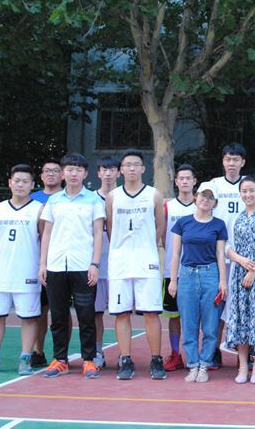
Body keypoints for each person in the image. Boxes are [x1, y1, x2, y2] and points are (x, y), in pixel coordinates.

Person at [39, 153, 105, 379]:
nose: (73, 173)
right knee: (58, 316)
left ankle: (89, 360)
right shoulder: (54, 201)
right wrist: (43, 264)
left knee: (86, 315)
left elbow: (98, 233)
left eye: (78, 170)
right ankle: (60, 359)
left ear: (85, 174)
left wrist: (95, 264)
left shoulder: (94, 200)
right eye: (69, 169)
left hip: (83, 265)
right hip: (56, 266)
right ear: (62, 173)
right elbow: (47, 233)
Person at [0, 164, 44, 376]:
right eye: (17, 181)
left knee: (29, 318)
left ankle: (25, 358)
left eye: (25, 181)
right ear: (9, 183)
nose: (20, 185)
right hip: (0, 274)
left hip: (27, 274)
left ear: (32, 185)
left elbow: (44, 241)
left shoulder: (40, 210)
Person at [105, 150, 166, 380]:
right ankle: (125, 359)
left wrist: (147, 245)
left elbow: (159, 226)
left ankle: (156, 359)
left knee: (151, 312)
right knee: (122, 313)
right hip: (120, 261)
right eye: (127, 165)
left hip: (146, 260)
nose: (132, 168)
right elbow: (111, 228)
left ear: (143, 168)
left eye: (136, 164)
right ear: (121, 170)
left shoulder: (154, 195)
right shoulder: (113, 197)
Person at [168, 183, 228, 383]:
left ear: (215, 203)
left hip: (210, 275)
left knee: (210, 326)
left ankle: (204, 365)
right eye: (203, 195)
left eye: (210, 197)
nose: (206, 200)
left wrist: (222, 280)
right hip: (187, 276)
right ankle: (193, 364)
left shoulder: (219, 225)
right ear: (196, 197)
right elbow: (175, 253)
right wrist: (173, 280)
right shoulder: (183, 223)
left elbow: (220, 254)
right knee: (189, 324)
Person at [226, 176, 255, 384]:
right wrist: (240, 260)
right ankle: (243, 366)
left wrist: (253, 271)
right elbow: (227, 247)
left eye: (252, 190)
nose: (248, 194)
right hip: (238, 276)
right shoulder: (235, 218)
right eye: (244, 191)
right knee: (241, 320)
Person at [205, 142, 248, 369]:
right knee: (217, 305)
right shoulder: (212, 185)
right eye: (228, 159)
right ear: (223, 161)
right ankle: (213, 350)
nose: (232, 163)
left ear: (243, 162)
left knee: (243, 307)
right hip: (219, 255)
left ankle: (246, 352)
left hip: (244, 256)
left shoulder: (250, 185)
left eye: (236, 159)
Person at [162, 164, 197, 372]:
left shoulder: (201, 206)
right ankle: (176, 354)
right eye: (181, 178)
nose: (184, 181)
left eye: (188, 178)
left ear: (194, 182)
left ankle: (195, 355)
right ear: (176, 182)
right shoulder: (167, 207)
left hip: (196, 270)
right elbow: (162, 236)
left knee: (195, 315)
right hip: (172, 270)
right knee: (173, 316)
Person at [30, 159, 63, 369]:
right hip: (38, 263)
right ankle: (37, 351)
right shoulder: (32, 201)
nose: (51, 174)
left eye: (55, 170)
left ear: (62, 175)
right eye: (47, 171)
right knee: (40, 310)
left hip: (63, 263)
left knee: (61, 311)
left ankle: (62, 354)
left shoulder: (68, 198)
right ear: (41, 176)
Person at [93, 155, 121, 370]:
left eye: (112, 169)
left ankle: (123, 353)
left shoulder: (124, 197)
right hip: (96, 266)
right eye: (105, 169)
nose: (108, 173)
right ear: (98, 173)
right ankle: (97, 352)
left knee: (121, 313)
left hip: (119, 265)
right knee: (95, 313)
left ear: (119, 173)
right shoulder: (90, 199)